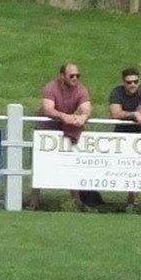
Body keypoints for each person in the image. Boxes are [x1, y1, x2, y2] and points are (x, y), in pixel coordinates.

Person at [39, 61, 101, 210]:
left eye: (77, 75)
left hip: (68, 128)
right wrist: (63, 116)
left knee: (71, 162)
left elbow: (86, 108)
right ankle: (34, 200)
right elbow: (48, 109)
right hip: (48, 129)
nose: (75, 78)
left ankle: (76, 200)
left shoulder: (81, 89)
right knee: (41, 164)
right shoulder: (51, 88)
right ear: (62, 76)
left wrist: (83, 117)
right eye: (71, 75)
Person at [107, 66, 141, 212]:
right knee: (115, 164)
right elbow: (115, 113)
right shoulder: (116, 92)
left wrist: (133, 115)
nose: (132, 85)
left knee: (137, 167)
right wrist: (133, 115)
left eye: (135, 81)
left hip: (140, 134)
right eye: (129, 82)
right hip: (122, 132)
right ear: (123, 82)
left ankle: (132, 199)